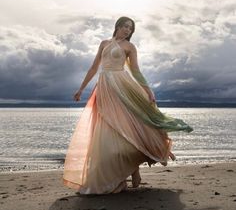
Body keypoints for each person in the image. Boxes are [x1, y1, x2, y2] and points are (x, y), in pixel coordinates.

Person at [63, 16, 193, 195]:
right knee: (108, 131)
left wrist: (148, 90)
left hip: (122, 87)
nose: (127, 30)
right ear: (117, 26)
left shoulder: (129, 47)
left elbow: (136, 70)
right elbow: (93, 68)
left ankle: (134, 170)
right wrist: (80, 89)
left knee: (129, 127)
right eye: (125, 26)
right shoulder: (104, 43)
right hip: (104, 88)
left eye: (130, 28)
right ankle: (127, 172)